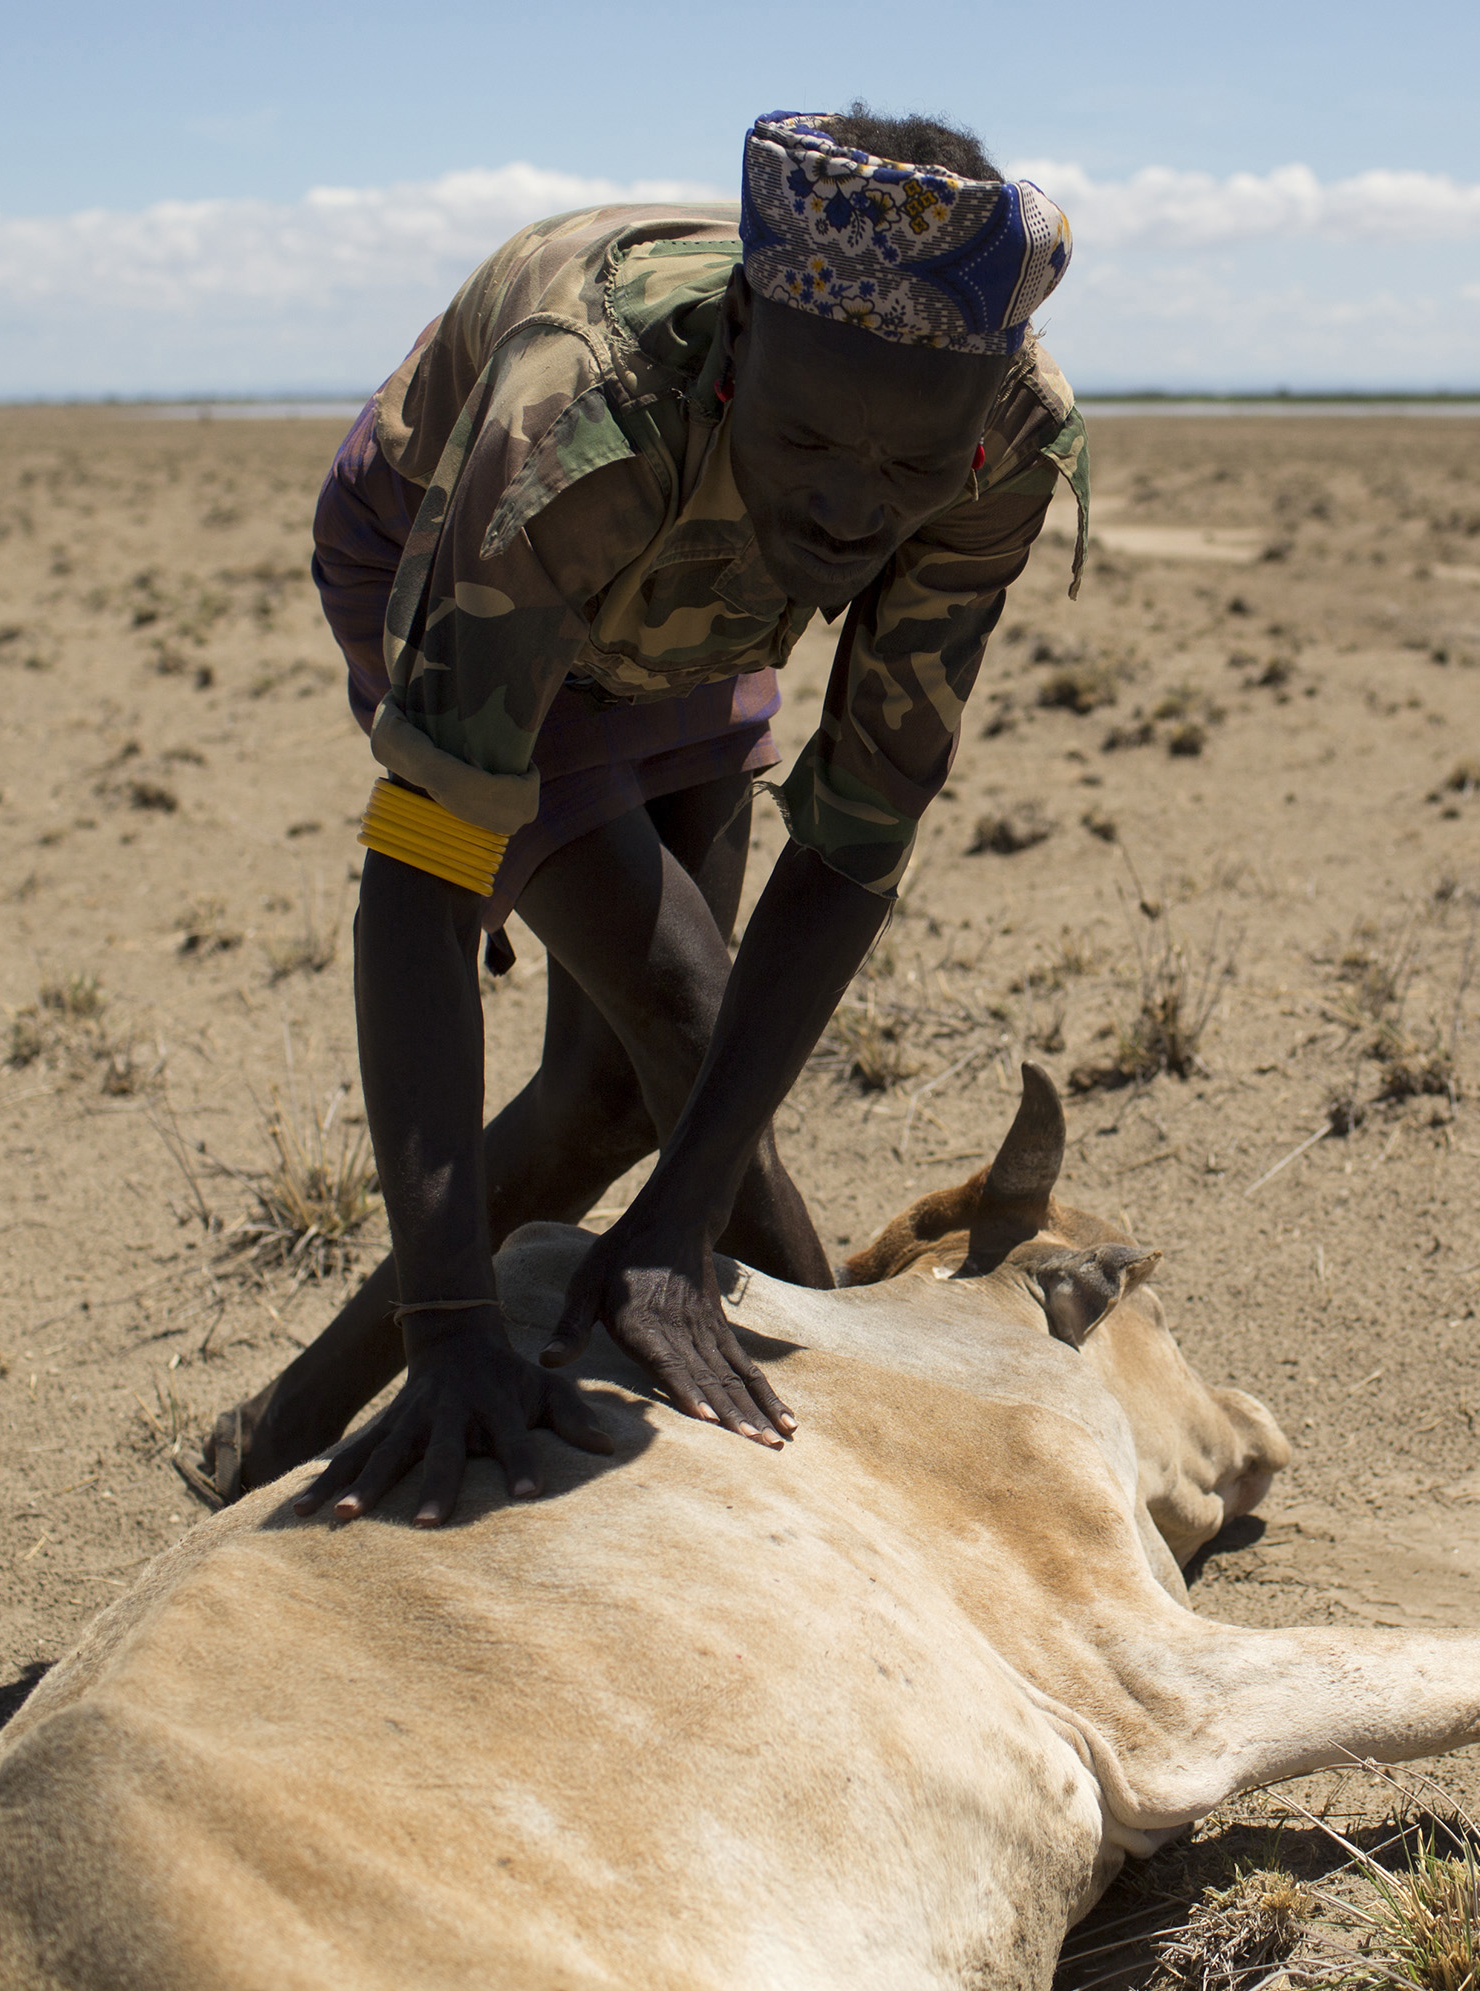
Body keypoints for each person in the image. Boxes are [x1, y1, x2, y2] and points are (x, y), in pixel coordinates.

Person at [194, 107, 1087, 1524]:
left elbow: (857, 835)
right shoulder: (579, 421)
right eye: (812, 440)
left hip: (710, 600)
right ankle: (879, 1448)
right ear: (740, 345)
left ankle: (279, 1426)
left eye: (909, 470)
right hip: (479, 562)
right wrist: (451, 1332)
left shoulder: (1003, 445)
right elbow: (426, 868)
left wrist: (678, 1219)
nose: (856, 509)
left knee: (621, 1092)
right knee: (682, 1007)